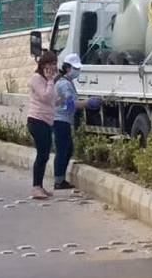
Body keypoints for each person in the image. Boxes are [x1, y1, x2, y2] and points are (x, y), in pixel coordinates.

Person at [53, 53, 100, 190]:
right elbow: (70, 105)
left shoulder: (66, 82)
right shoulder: (64, 85)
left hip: (64, 120)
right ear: (67, 68)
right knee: (64, 150)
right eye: (75, 68)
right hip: (60, 120)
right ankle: (59, 181)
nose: (77, 71)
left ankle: (60, 179)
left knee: (67, 149)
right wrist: (88, 103)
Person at [26, 50, 58, 199]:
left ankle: (39, 185)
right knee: (42, 153)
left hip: (46, 121)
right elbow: (45, 97)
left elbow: (52, 100)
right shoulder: (37, 79)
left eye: (54, 64)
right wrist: (51, 80)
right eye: (50, 64)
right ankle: (36, 187)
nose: (53, 67)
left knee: (45, 154)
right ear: (43, 65)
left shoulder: (47, 80)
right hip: (37, 120)